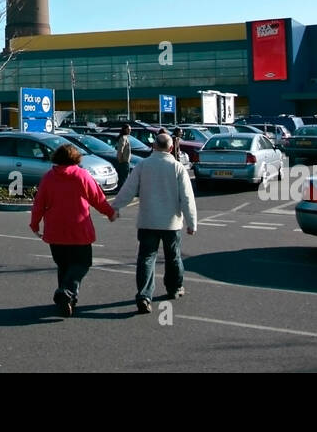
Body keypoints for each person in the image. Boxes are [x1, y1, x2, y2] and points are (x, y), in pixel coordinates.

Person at [113, 130, 198, 314]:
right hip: (171, 223)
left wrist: (115, 206)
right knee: (173, 257)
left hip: (148, 221)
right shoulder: (177, 167)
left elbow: (128, 190)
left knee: (146, 258)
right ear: (170, 147)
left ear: (153, 146)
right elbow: (187, 198)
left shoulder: (143, 166)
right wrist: (192, 222)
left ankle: (144, 295)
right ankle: (174, 288)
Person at [29, 143, 117, 317]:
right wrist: (110, 212)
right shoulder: (82, 175)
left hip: (55, 230)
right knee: (82, 263)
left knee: (63, 265)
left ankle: (67, 299)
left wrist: (35, 224)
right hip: (78, 229)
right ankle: (67, 293)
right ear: (76, 158)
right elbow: (97, 198)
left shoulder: (48, 177)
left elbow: (38, 204)